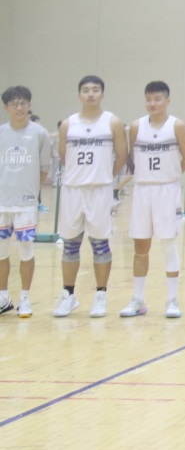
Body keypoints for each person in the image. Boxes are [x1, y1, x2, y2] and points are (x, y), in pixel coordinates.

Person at [54, 76, 128, 318]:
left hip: (99, 190)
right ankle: (68, 295)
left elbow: (122, 156)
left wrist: (105, 177)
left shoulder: (112, 122)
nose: (90, 94)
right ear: (79, 95)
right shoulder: (68, 124)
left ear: (102, 95)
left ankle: (101, 295)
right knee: (70, 244)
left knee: (100, 244)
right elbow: (64, 157)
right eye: (85, 90)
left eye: (95, 90)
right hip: (73, 189)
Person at [119, 81, 185, 319]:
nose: (152, 103)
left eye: (157, 99)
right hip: (143, 190)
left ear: (167, 101)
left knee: (169, 245)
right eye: (149, 99)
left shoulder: (177, 126)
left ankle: (172, 300)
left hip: (167, 190)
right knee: (140, 247)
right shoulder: (136, 126)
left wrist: (168, 175)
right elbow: (132, 159)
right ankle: (138, 299)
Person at [0, 86, 51, 317]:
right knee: (1, 253)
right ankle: (3, 298)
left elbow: (43, 169)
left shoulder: (40, 133)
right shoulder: (1, 133)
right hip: (2, 203)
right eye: (14, 104)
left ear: (29, 105)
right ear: (6, 107)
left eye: (23, 103)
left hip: (26, 205)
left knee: (26, 251)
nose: (19, 108)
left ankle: (25, 298)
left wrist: (30, 191)